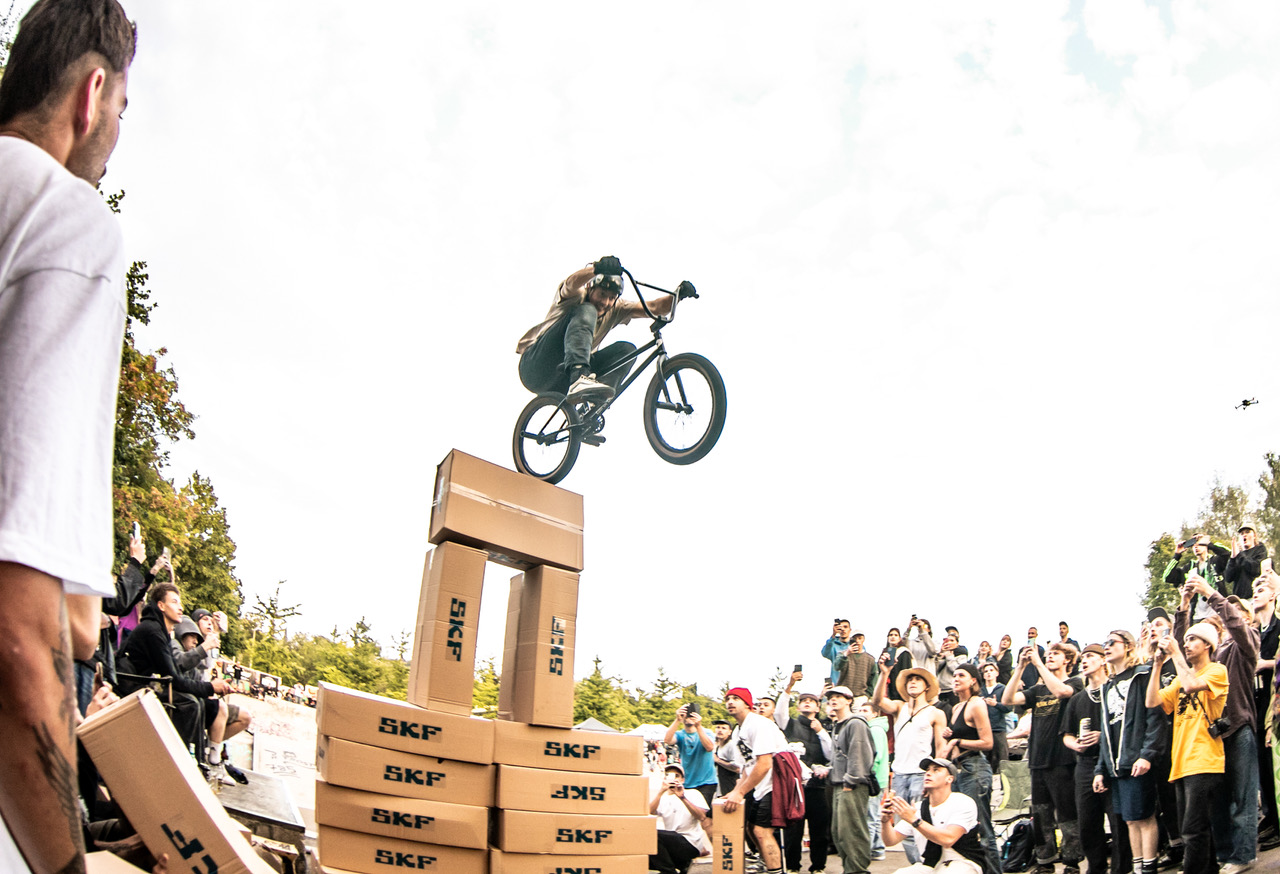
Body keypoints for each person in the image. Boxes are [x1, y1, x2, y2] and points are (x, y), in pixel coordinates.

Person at [0, 2, 137, 870]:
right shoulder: (64, 222)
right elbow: (17, 633)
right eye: (124, 111)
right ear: (92, 94)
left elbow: (79, 623)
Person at [516, 255, 693, 404]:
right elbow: (571, 282)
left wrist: (678, 295)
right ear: (590, 288)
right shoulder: (576, 296)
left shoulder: (617, 308)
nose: (605, 303)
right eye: (601, 294)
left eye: (611, 298)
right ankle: (579, 376)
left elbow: (654, 308)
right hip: (536, 366)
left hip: (561, 381)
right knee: (587, 310)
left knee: (627, 350)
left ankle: (594, 404)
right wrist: (598, 269)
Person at [1175, 575, 1260, 873]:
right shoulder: (1213, 654)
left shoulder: (1246, 645)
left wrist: (1211, 593)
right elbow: (1181, 651)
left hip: (1239, 729)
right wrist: (1184, 607)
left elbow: (1237, 625)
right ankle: (1225, 852)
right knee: (1219, 801)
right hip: (1214, 735)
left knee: (1243, 797)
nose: (1225, 618)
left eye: (1234, 613)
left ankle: (1242, 855)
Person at [1146, 623, 1228, 874]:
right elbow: (1152, 701)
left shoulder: (1217, 670)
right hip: (1182, 762)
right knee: (1198, 828)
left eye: (1193, 639)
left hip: (1203, 759)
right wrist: (1158, 665)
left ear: (1208, 645)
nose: (1187, 644)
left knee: (1192, 830)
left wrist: (1175, 655)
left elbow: (1192, 685)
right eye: (1186, 639)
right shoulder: (1181, 676)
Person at [116, 584, 233, 755]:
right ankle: (175, 756)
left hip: (140, 683)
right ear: (161, 606)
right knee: (190, 703)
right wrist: (210, 687)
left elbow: (174, 674)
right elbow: (174, 678)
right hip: (130, 686)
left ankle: (193, 757)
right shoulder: (153, 631)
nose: (181, 608)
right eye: (175, 602)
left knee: (195, 701)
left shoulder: (158, 630)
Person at [1002, 641, 1084, 874]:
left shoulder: (1075, 682)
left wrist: (1038, 664)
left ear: (1067, 659)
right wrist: (1019, 668)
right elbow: (1007, 700)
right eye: (1047, 655)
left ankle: (1071, 863)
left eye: (1055, 654)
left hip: (1063, 760)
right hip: (1037, 760)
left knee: (1067, 815)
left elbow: (1062, 692)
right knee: (1041, 815)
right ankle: (1045, 862)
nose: (1049, 657)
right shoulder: (1037, 690)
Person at [1095, 629, 1167, 874]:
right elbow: (1105, 731)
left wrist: (1147, 754)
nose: (1107, 646)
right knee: (1129, 819)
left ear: (1127, 646)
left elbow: (1155, 717)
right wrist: (1100, 769)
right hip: (1117, 764)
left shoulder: (1143, 675)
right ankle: (1138, 867)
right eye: (1104, 643)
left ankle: (1149, 867)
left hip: (1138, 758)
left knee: (1144, 816)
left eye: (1112, 642)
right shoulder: (1107, 685)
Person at [1063, 644, 1131, 874]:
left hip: (1113, 762)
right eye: (1082, 657)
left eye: (1090, 656)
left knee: (1118, 820)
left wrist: (1103, 735)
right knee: (1088, 822)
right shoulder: (1077, 699)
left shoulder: (1115, 690)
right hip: (1085, 764)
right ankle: (1096, 868)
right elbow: (1066, 735)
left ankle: (1121, 869)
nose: (1084, 660)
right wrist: (1077, 744)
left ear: (1103, 661)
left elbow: (1126, 725)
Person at [873, 666, 946, 866]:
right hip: (899, 773)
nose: (912, 682)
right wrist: (884, 674)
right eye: (909, 679)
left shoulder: (935, 713)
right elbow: (877, 702)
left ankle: (926, 865)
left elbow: (940, 748)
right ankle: (918, 865)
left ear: (926, 686)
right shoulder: (899, 707)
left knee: (918, 822)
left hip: (920, 773)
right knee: (901, 826)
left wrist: (935, 776)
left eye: (917, 679)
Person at [721, 687, 790, 874]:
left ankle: (776, 871)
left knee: (762, 830)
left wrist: (741, 792)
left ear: (747, 703)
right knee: (751, 827)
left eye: (736, 698)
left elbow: (765, 763)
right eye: (728, 698)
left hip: (777, 782)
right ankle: (764, 863)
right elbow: (746, 768)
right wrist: (735, 791)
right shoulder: (738, 731)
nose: (730, 702)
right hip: (761, 784)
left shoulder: (759, 724)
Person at [939, 664, 999, 874]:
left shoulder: (976, 704)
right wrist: (950, 735)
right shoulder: (956, 708)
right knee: (961, 827)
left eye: (961, 675)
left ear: (974, 680)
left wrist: (957, 740)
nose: (955, 678)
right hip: (958, 770)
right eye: (954, 675)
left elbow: (988, 742)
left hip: (974, 767)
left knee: (982, 828)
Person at [880, 757, 986, 874]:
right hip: (931, 866)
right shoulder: (919, 808)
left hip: (963, 863)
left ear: (949, 779)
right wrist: (885, 821)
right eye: (927, 771)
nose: (929, 773)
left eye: (936, 770)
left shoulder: (962, 802)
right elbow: (890, 841)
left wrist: (914, 820)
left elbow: (948, 839)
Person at [775, 675, 833, 874]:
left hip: (818, 786)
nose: (807, 703)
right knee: (793, 829)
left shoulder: (824, 726)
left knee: (820, 829)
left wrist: (821, 732)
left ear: (818, 707)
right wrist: (790, 685)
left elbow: (831, 754)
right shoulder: (789, 724)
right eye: (803, 701)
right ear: (798, 707)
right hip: (794, 787)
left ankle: (818, 867)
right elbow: (779, 711)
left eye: (812, 701)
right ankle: (792, 867)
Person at [827, 686, 875, 874]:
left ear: (849, 700)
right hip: (839, 784)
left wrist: (850, 781)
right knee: (839, 833)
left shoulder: (855, 723)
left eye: (839, 696)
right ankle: (850, 870)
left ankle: (858, 871)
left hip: (852, 785)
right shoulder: (838, 725)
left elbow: (860, 754)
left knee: (852, 832)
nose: (834, 700)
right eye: (831, 697)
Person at [1253, 570, 1280, 848]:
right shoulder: (1254, 632)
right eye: (1254, 590)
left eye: (1261, 589)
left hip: (1276, 704)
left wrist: (1266, 664)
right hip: (1257, 703)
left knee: (1275, 764)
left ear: (1273, 595)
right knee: (1263, 766)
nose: (1256, 593)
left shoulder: (1279, 627)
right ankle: (1271, 819)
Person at [649, 761, 710, 874]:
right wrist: (660, 792)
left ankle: (669, 871)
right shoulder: (663, 798)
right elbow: (648, 813)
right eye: (670, 776)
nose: (674, 779)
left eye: (677, 776)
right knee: (642, 848)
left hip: (690, 842)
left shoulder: (693, 793)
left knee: (653, 834)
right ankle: (681, 866)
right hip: (671, 843)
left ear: (683, 780)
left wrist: (683, 798)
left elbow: (701, 817)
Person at [1163, 533, 1230, 620]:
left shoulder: (1216, 561)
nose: (1196, 547)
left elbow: (1227, 553)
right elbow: (1167, 577)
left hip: (1217, 612)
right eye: (1193, 545)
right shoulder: (1189, 568)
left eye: (1199, 544)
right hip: (1197, 616)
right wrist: (1177, 555)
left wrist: (1209, 543)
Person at [664, 703, 718, 807]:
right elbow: (667, 740)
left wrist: (698, 726)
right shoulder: (680, 734)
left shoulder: (707, 732)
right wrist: (677, 720)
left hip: (706, 782)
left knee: (702, 814)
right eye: (686, 715)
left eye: (691, 715)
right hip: (687, 781)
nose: (688, 718)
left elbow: (709, 747)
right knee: (687, 815)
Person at [1223, 521, 1267, 600]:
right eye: (1242, 533)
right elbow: (1228, 578)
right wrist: (1233, 558)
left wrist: (1239, 555)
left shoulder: (1260, 550)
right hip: (1239, 600)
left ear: (1254, 536)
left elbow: (1255, 569)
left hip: (1255, 598)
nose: (1244, 535)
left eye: (1247, 532)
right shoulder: (1238, 555)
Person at [978, 661, 1010, 769]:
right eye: (986, 671)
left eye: (991, 670)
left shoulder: (1003, 689)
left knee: (1003, 762)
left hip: (998, 730)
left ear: (997, 673)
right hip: (983, 731)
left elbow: (1009, 708)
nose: (988, 673)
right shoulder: (979, 691)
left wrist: (996, 704)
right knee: (984, 763)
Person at [835, 629, 880, 700]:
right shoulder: (842, 654)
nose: (857, 641)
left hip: (860, 697)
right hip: (843, 696)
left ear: (863, 639)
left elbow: (874, 679)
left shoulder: (870, 659)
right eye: (854, 638)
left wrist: (867, 695)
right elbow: (837, 667)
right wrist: (846, 654)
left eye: (860, 638)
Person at [711, 719, 743, 797]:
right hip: (719, 787)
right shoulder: (716, 746)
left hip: (731, 786)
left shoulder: (731, 745)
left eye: (723, 728)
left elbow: (737, 768)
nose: (720, 730)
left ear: (730, 732)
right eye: (718, 727)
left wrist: (718, 760)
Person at [822, 619, 853, 685]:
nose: (843, 629)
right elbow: (825, 653)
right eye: (840, 627)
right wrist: (833, 635)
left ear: (850, 630)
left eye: (845, 627)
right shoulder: (833, 644)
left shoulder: (855, 645)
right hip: (837, 683)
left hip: (852, 683)